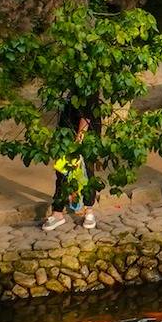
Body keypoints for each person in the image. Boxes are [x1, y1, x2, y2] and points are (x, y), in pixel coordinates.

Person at [40, 92, 100, 231]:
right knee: (62, 172)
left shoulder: (88, 81)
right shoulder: (65, 81)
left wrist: (79, 139)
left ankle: (89, 210)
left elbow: (87, 113)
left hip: (85, 137)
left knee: (86, 173)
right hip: (65, 134)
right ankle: (58, 213)